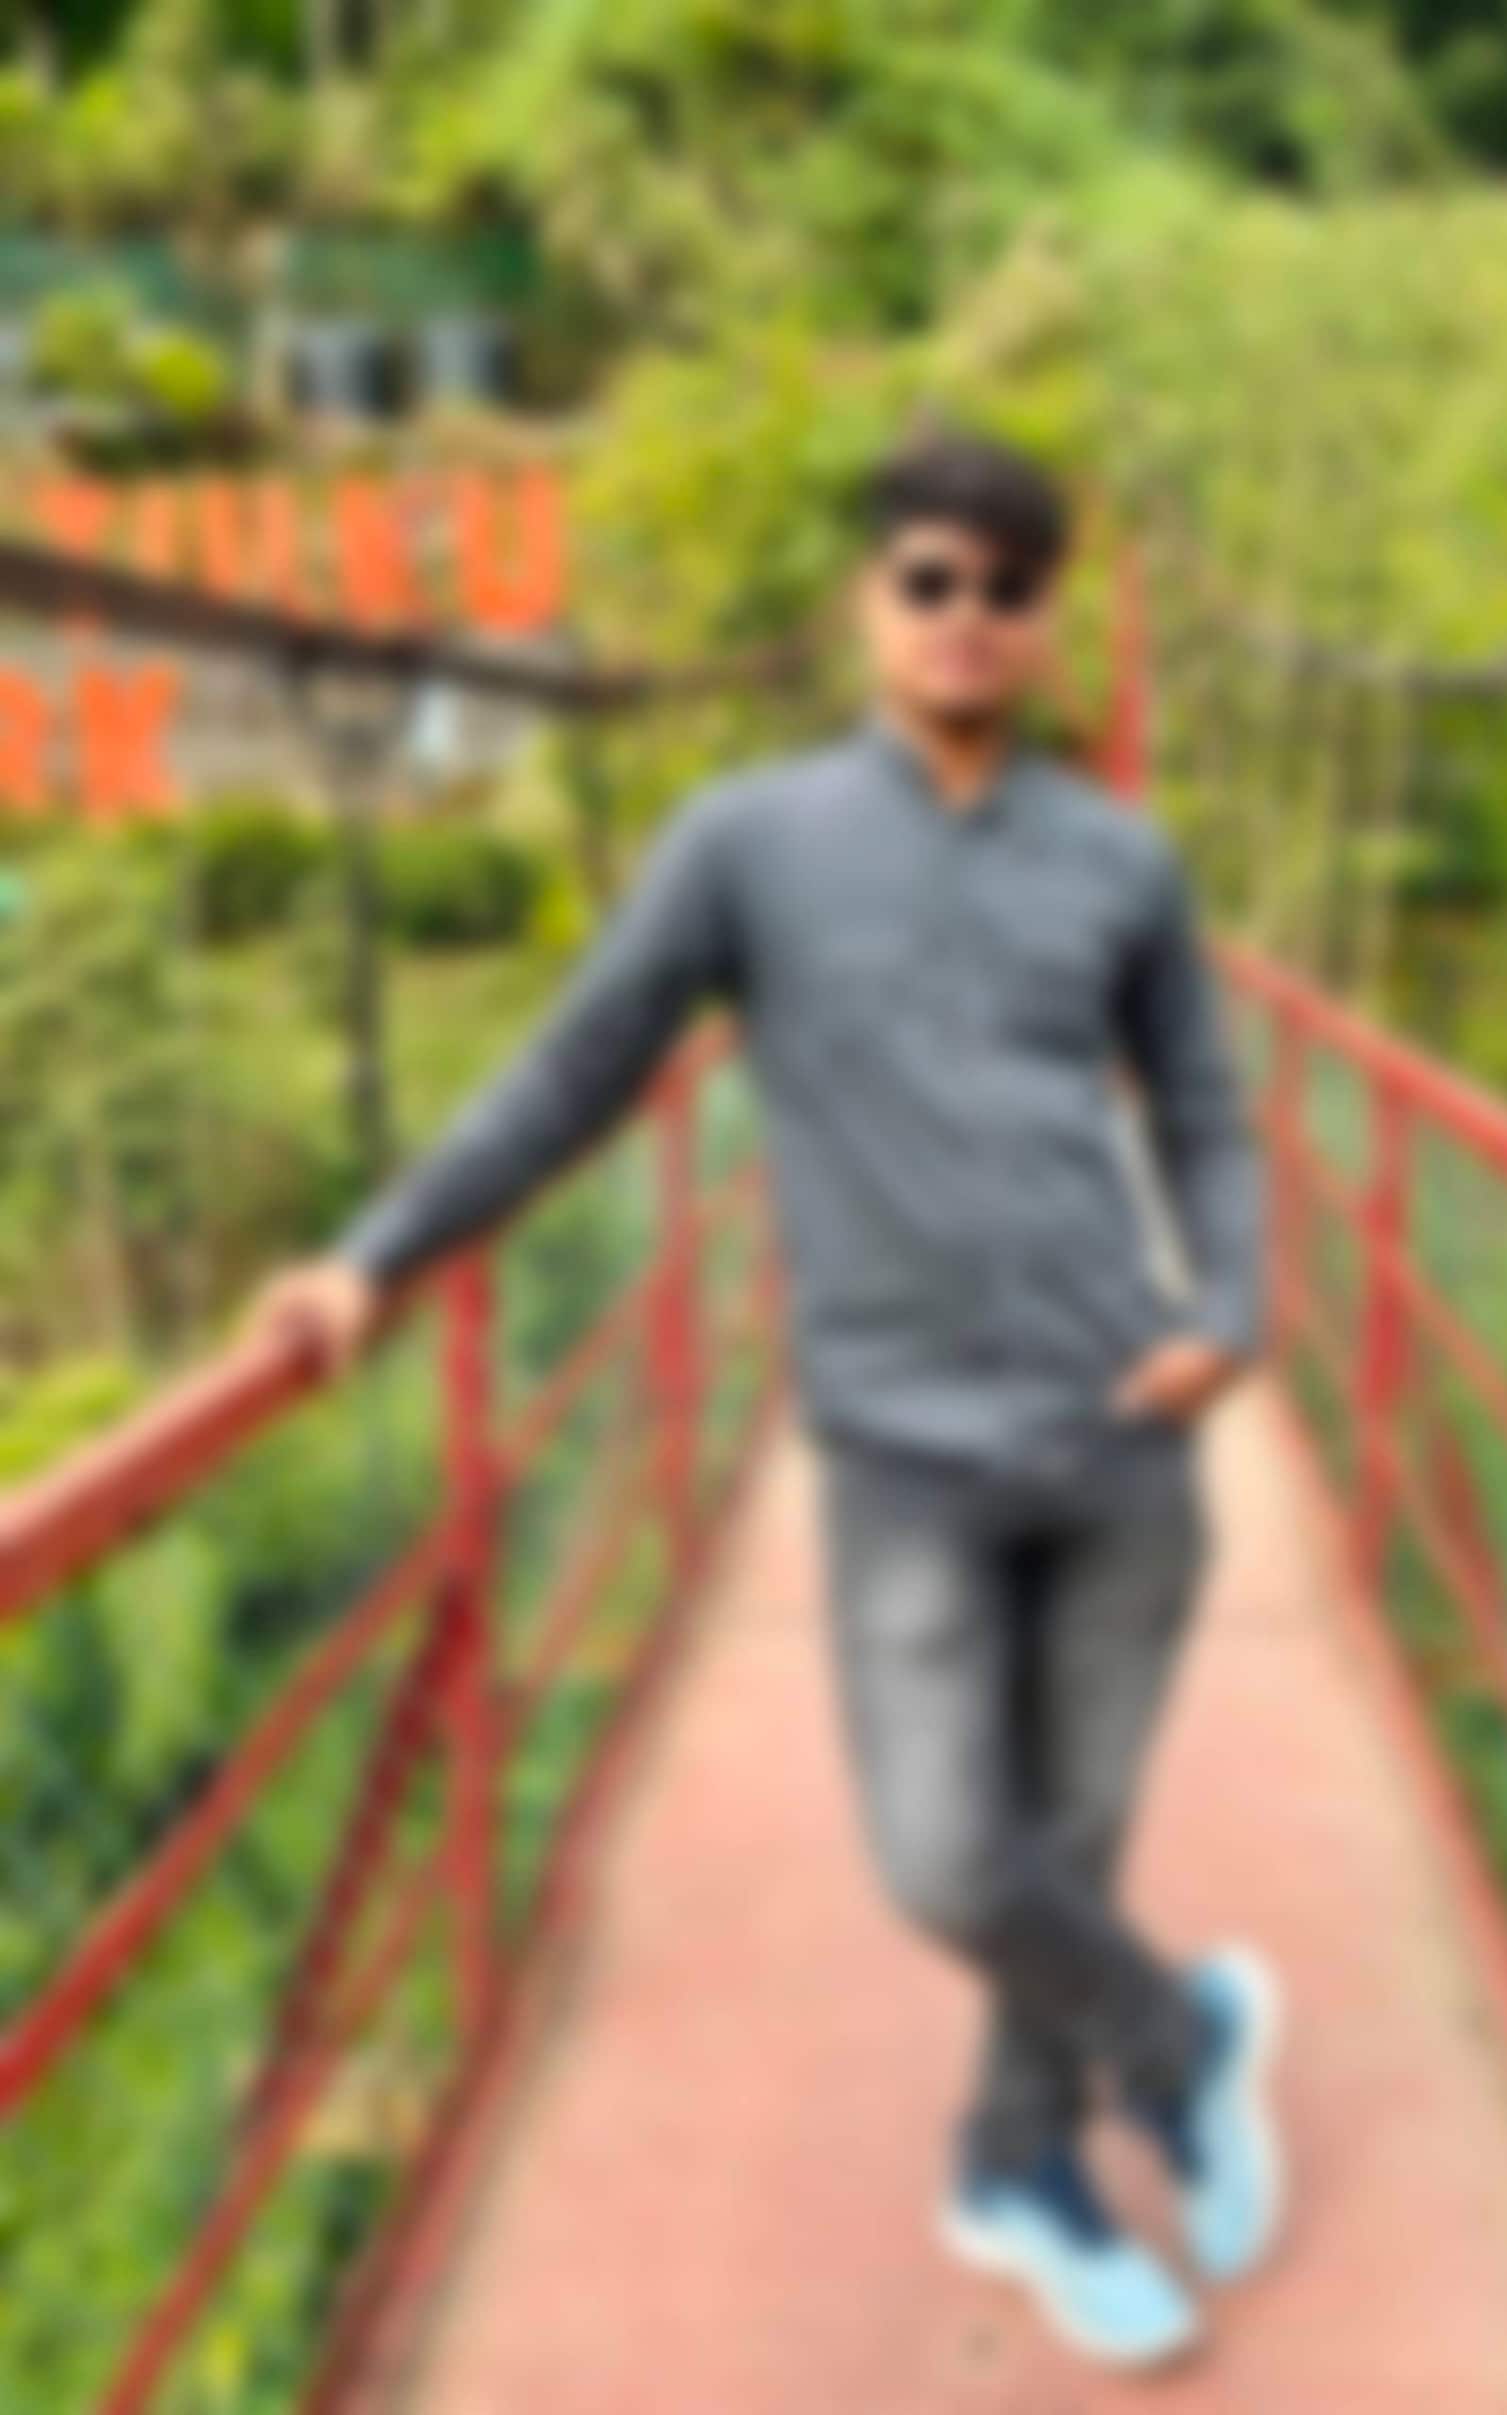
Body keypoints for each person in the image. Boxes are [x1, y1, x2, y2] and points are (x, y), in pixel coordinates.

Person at [249, 429, 1284, 2370]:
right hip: (905, 1459)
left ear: (1050, 621)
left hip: (1123, 1437)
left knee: (1067, 1850)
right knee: (950, 1859)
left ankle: (1020, 2169)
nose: (967, 616)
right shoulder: (746, 843)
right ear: (866, 602)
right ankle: (1189, 2041)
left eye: (1008, 587)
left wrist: (1234, 1305)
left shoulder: (1123, 857)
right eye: (930, 579)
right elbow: (571, 1074)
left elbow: (1210, 1116)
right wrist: (376, 1254)